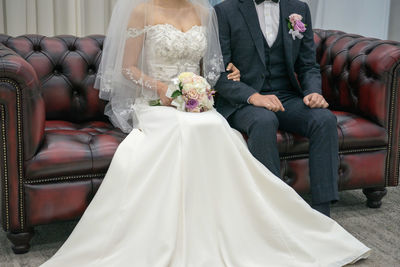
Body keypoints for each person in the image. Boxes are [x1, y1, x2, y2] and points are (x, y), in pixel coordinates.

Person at [40, 0, 370, 266]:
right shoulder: (143, 9)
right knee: (188, 130)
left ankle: (275, 214)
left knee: (213, 126)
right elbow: (128, 69)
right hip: (156, 100)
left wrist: (219, 77)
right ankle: (186, 228)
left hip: (196, 98)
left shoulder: (204, 12)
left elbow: (212, 68)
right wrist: (166, 90)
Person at [214, 0, 338, 217]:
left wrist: (312, 91)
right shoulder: (224, 11)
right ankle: (272, 210)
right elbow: (218, 72)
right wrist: (253, 96)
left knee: (324, 119)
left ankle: (322, 211)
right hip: (245, 99)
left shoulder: (299, 9)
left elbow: (308, 64)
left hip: (287, 96)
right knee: (264, 121)